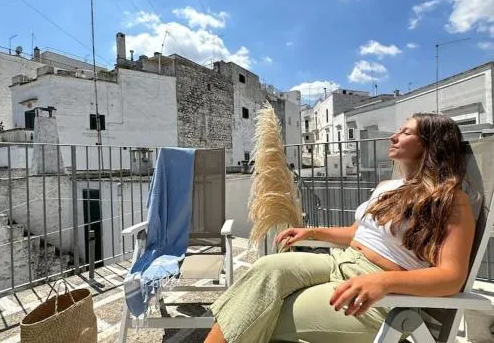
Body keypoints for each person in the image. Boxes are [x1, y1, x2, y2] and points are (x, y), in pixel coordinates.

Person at [204, 113, 475, 343]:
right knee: (266, 270)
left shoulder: (449, 200)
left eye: (406, 133)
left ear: (431, 144)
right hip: (340, 262)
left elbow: (452, 276)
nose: (393, 137)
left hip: (378, 294)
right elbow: (358, 233)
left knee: (260, 311)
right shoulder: (388, 186)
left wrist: (384, 281)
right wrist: (312, 233)